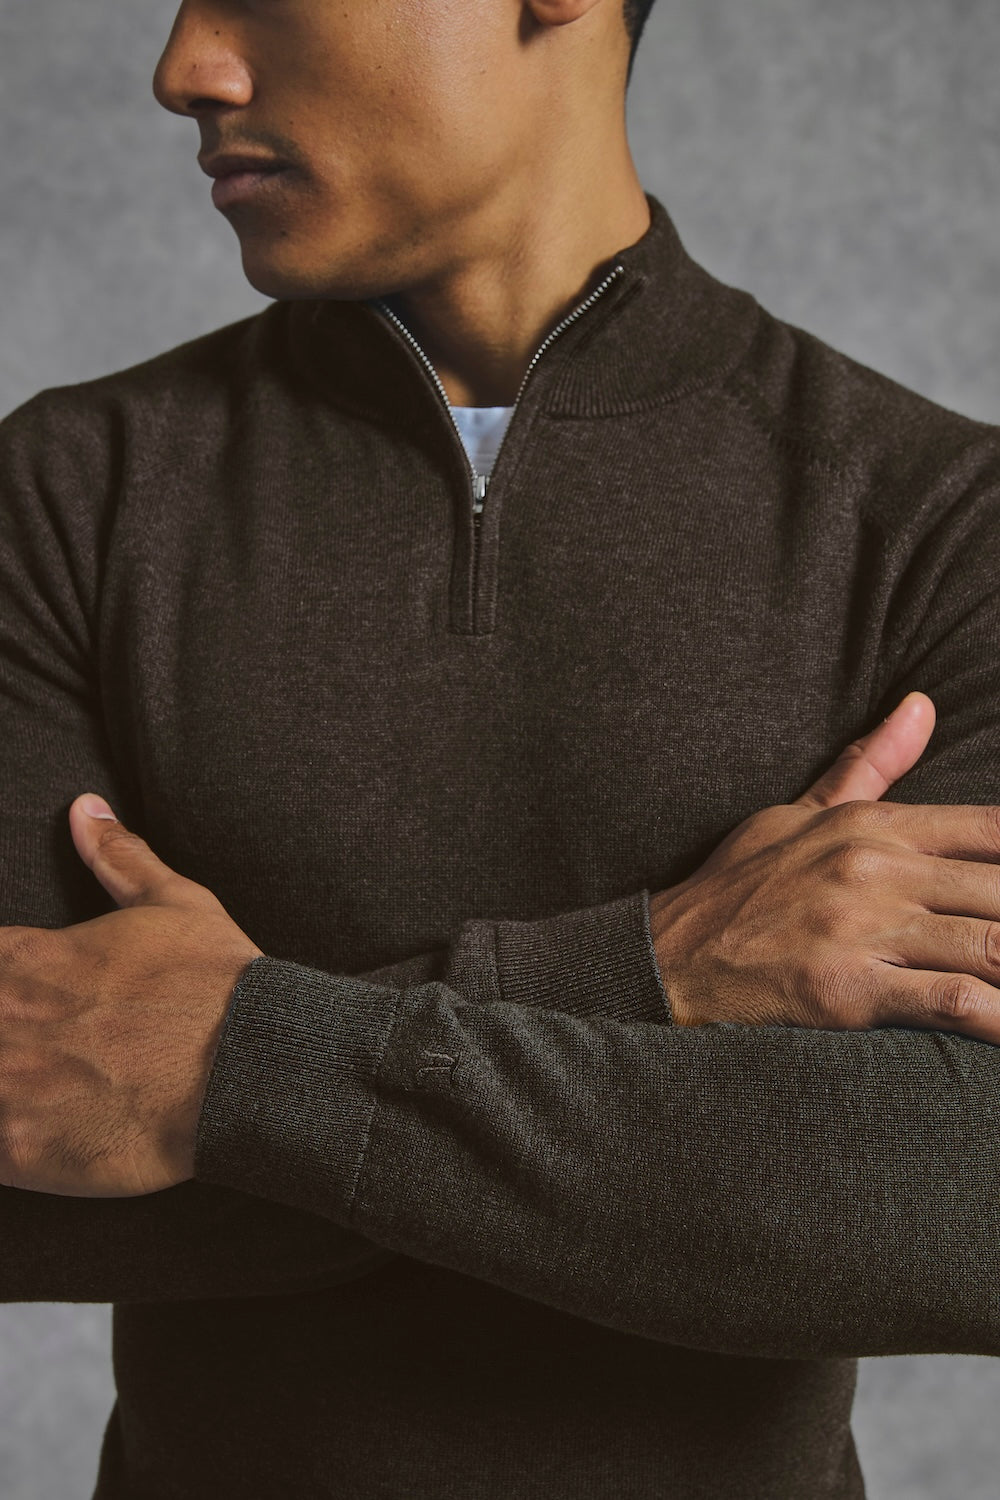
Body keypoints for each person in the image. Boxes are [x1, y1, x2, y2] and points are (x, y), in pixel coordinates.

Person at [1, 0, 998, 1496]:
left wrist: (218, 1057)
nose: (184, 68)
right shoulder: (64, 494)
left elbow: (953, 1203)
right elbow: (25, 1151)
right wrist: (647, 973)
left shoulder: (941, 522)